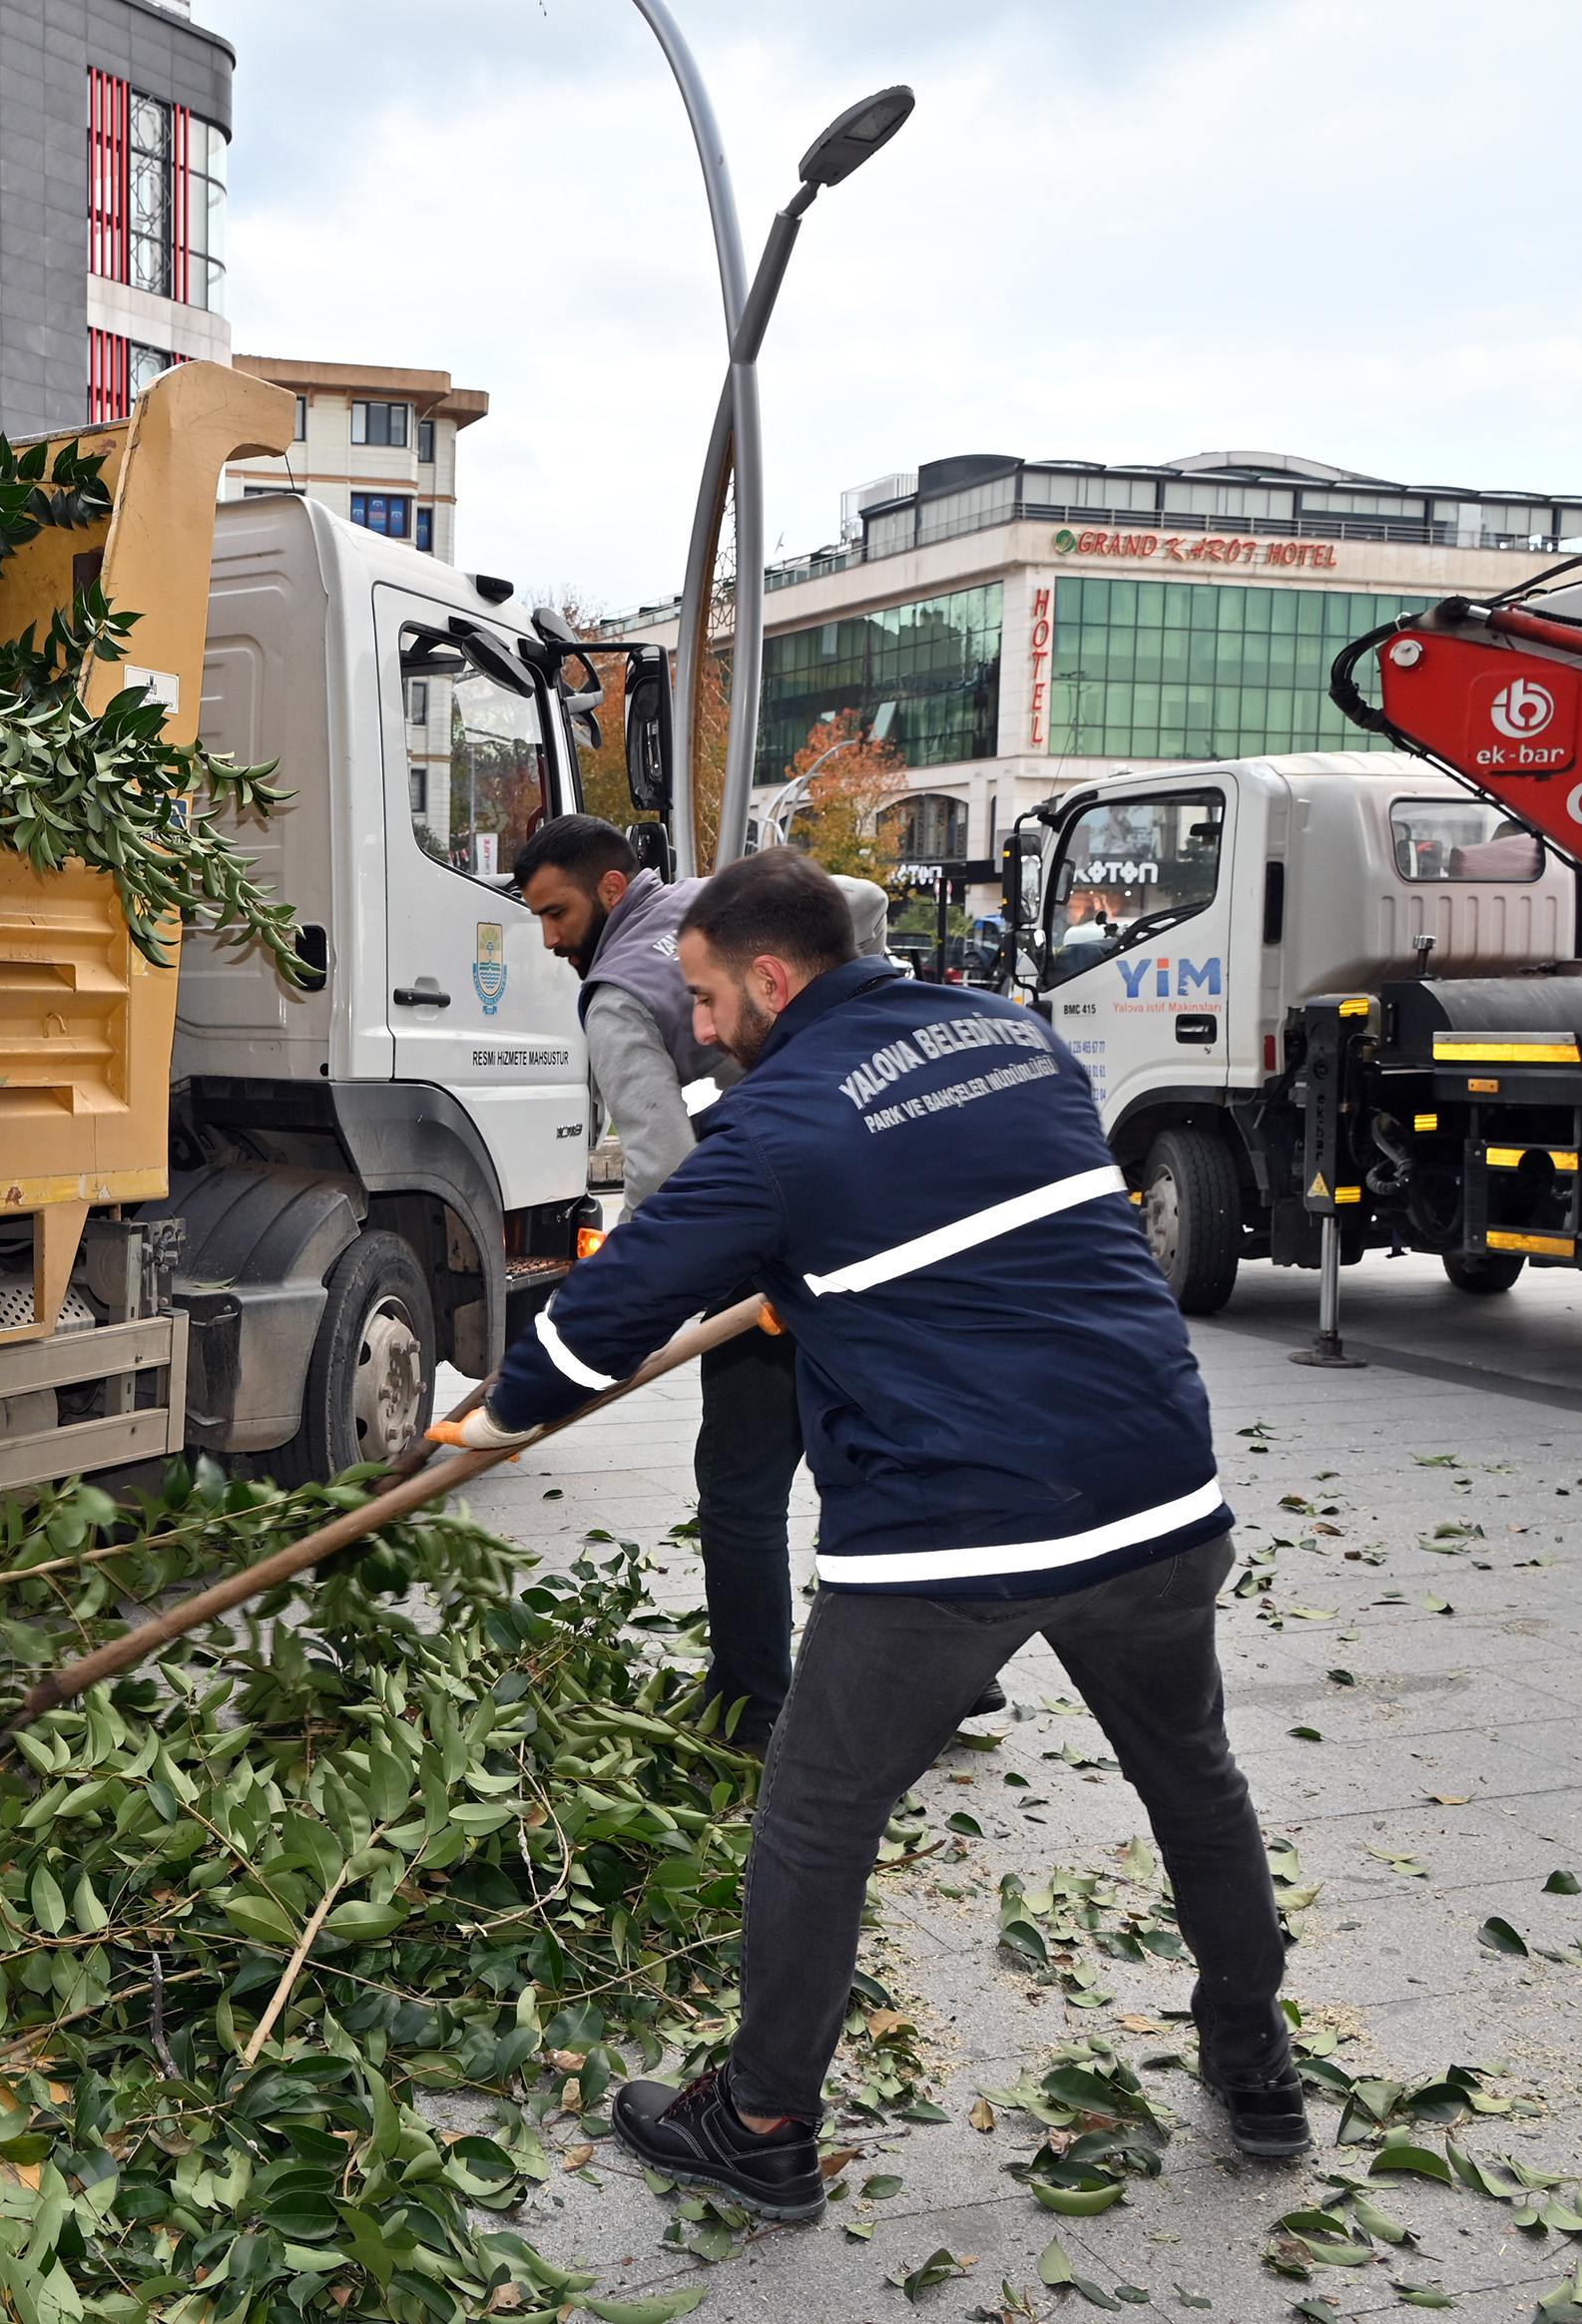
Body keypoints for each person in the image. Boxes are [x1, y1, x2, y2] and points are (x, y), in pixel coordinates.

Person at [435, 846, 1303, 2223]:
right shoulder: (1011, 1034)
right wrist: (816, 1274)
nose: (702, 1028)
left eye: (710, 1000)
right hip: (1155, 1484)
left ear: (773, 979)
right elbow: (979, 1215)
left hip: (955, 1525)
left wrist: (491, 1420)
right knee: (1193, 1777)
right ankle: (1258, 2069)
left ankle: (764, 2120)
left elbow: (617, 1307)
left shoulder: (773, 1128)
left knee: (817, 1812)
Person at [507, 818, 982, 1755]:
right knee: (893, 1457)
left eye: (556, 913)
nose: (551, 938)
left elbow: (658, 1178)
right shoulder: (716, 907)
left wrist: (630, 1314)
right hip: (875, 1231)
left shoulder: (612, 1000)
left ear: (610, 891)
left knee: (740, 1484)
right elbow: (861, 904)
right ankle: (957, 1683)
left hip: (765, 1267)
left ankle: (752, 1702)